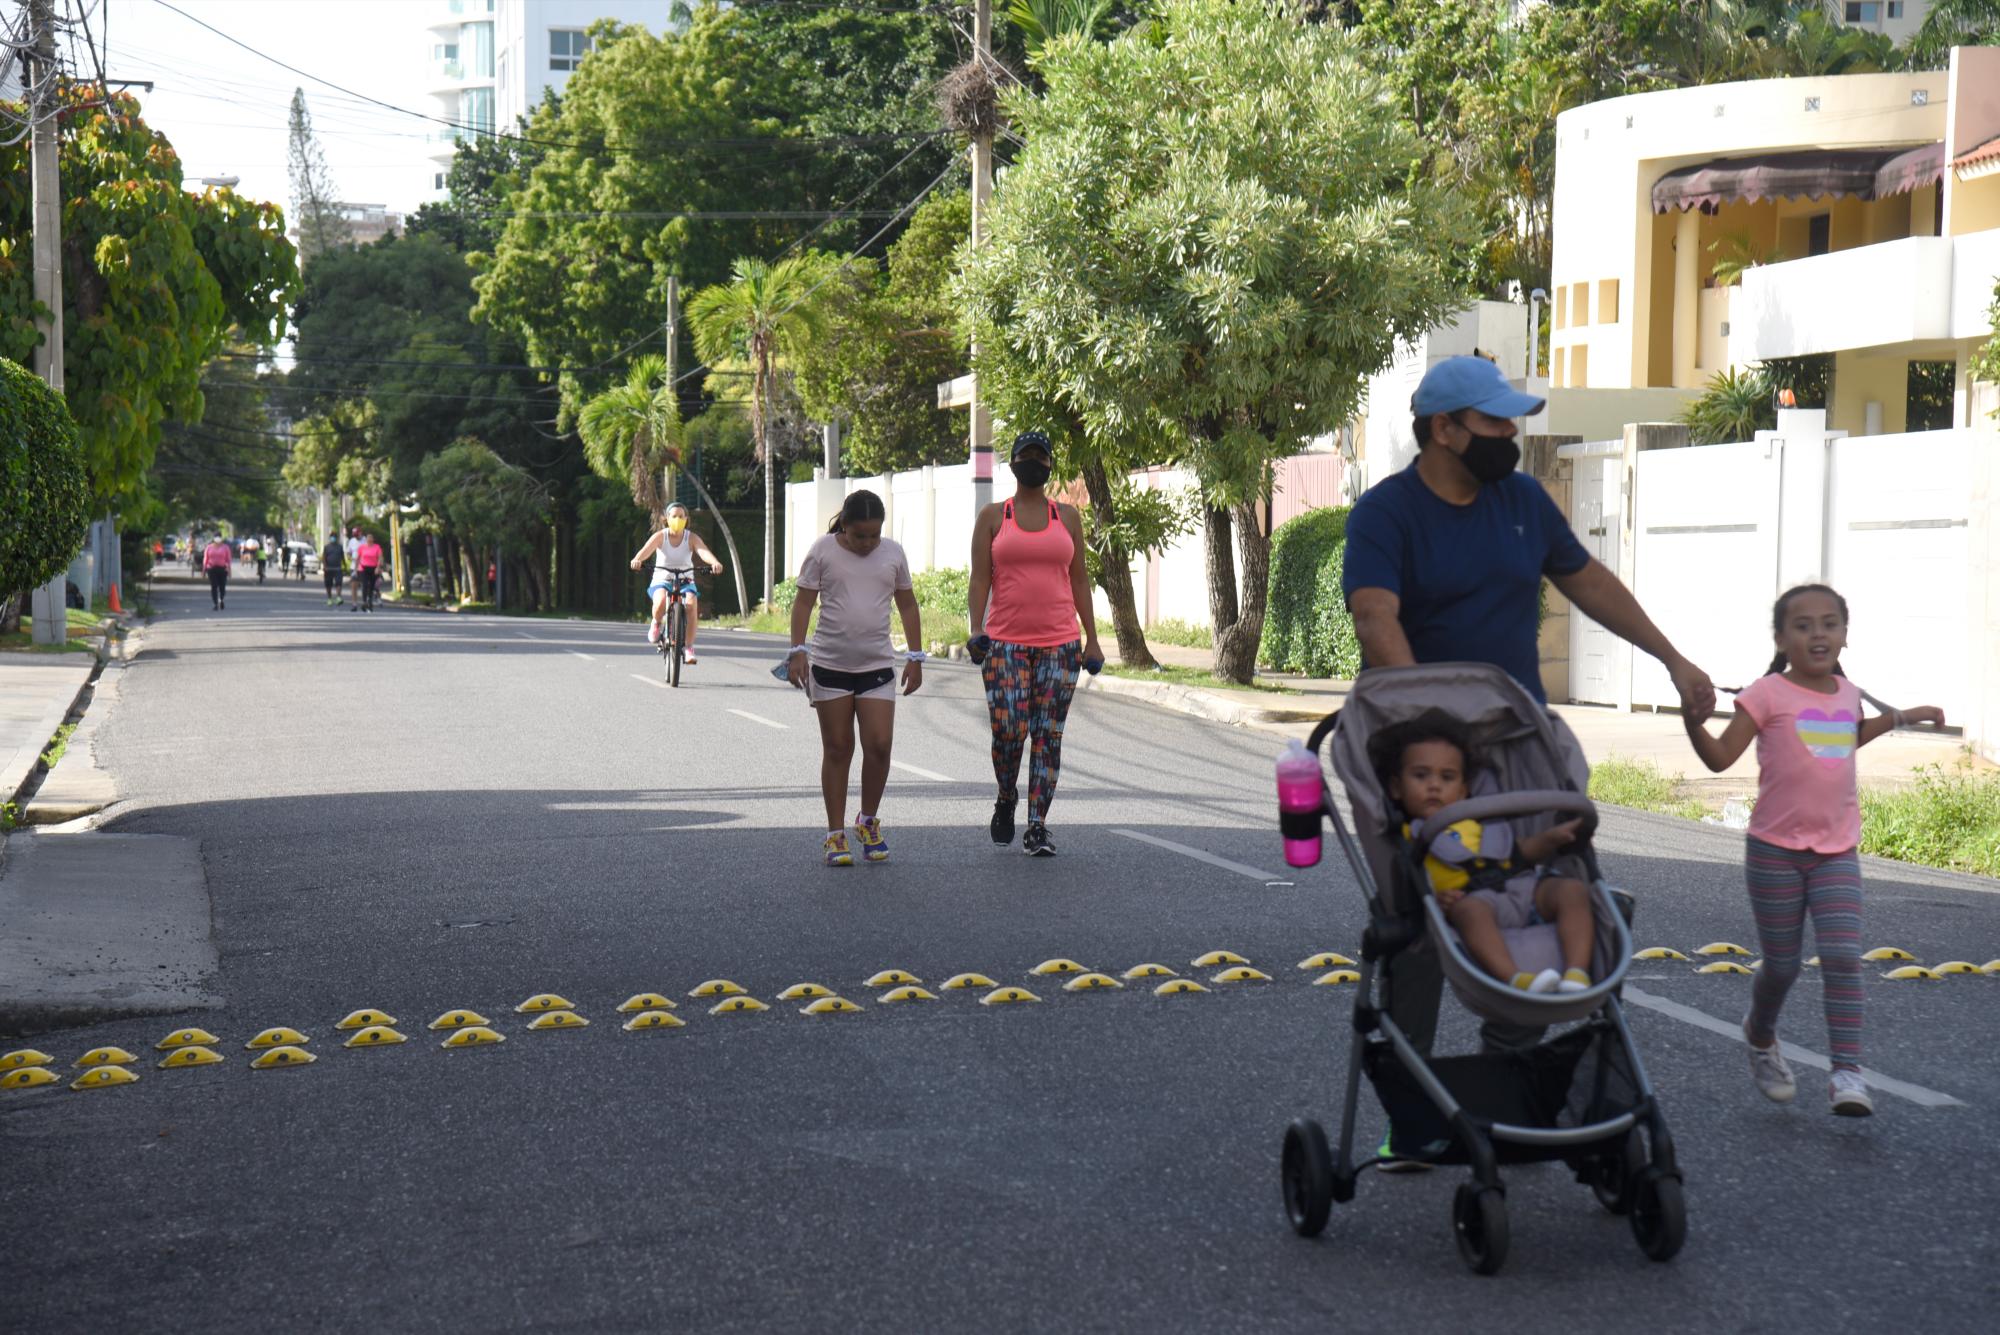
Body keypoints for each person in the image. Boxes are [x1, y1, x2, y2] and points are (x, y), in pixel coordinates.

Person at [1341, 355, 1715, 1169]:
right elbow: (1376, 617)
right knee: (1420, 930)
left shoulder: (1520, 500)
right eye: (1495, 422)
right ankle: (1413, 1110)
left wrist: (1673, 660)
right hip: (1425, 754)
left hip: (1516, 749)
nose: (1512, 436)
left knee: (1553, 889)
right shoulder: (1387, 514)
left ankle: (1509, 1080)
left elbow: (1588, 580)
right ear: (1444, 429)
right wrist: (1418, 732)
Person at [1682, 584, 1943, 1118]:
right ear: (1781, 637)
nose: (1817, 634)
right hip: (1774, 852)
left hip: (1836, 851)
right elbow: (1718, 758)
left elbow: (1841, 738)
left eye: (1829, 623)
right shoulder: (1766, 694)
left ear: (1845, 634)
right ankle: (1760, 1033)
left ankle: (1847, 1070)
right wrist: (1692, 721)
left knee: (1844, 957)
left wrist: (1900, 716)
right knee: (1781, 966)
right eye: (1802, 625)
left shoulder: (1847, 694)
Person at [1382, 716, 1595, 995]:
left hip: (1523, 890)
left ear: (1462, 791)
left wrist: (1547, 840)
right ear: (1397, 787)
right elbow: (1410, 888)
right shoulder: (1410, 836)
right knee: (1470, 911)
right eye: (1421, 775)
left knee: (1572, 890)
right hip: (1472, 902)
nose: (1434, 785)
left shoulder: (1479, 824)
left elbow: (1515, 853)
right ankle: (1515, 978)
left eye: (1446, 777)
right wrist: (1436, 901)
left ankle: (1576, 973)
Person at [965, 431, 1104, 857]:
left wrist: (1093, 640)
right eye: (1025, 455)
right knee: (1009, 731)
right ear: (1013, 464)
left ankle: (1038, 824)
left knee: (1048, 735)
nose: (1032, 462)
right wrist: (976, 630)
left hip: (1060, 643)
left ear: (1049, 464)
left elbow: (1079, 579)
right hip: (1004, 643)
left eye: (1039, 456)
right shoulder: (993, 516)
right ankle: (1007, 795)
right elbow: (980, 578)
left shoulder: (1068, 518)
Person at [786, 490, 924, 867]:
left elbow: (907, 604)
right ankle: (835, 834)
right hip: (831, 665)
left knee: (879, 745)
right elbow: (803, 603)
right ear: (843, 525)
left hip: (877, 665)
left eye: (873, 535)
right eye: (859, 535)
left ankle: (867, 820)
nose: (866, 543)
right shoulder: (822, 551)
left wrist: (915, 656)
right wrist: (797, 650)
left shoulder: (893, 553)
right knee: (838, 748)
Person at [628, 503, 724, 662]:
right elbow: (645, 550)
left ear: (687, 519)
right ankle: (657, 623)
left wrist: (714, 563)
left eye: (681, 516)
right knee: (660, 602)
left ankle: (689, 647)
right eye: (674, 516)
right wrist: (637, 560)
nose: (677, 519)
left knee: (692, 605)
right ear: (666, 519)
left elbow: (704, 551)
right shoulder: (660, 536)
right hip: (662, 578)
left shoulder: (691, 537)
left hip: (685, 579)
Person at [353, 531, 384, 612]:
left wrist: (378, 567)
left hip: (373, 568)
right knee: (365, 584)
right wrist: (355, 570)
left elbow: (380, 558)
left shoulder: (377, 547)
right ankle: (364, 601)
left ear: (373, 539)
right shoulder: (362, 547)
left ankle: (370, 601)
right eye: (368, 538)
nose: (369, 539)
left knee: (372, 586)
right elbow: (358, 558)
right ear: (366, 539)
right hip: (363, 568)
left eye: (371, 538)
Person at [201, 534, 232, 610]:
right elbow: (206, 559)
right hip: (211, 569)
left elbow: (228, 559)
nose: (218, 539)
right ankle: (215, 603)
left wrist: (229, 570)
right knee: (214, 586)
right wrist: (204, 570)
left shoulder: (225, 547)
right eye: (216, 537)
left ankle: (221, 599)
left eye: (219, 537)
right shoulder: (209, 547)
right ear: (214, 538)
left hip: (222, 569)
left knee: (222, 586)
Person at [321, 531, 347, 607]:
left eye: (334, 536)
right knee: (328, 585)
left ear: (337, 538)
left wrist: (344, 566)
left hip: (338, 568)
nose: (333, 538)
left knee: (338, 583)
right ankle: (329, 598)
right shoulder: (327, 547)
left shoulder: (340, 547)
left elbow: (342, 557)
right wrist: (325, 567)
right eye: (332, 536)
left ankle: (338, 597)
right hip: (328, 569)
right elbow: (324, 558)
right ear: (330, 538)